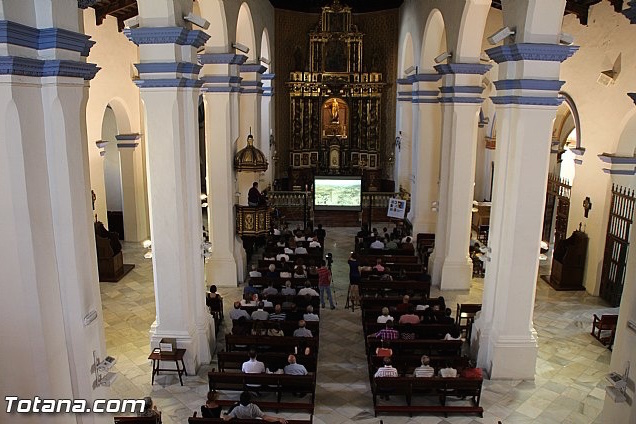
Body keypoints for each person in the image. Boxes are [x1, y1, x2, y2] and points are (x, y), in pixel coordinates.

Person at [222, 391, 287, 423]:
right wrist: (278, 419)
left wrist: (225, 414)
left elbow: (226, 418)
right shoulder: (254, 407)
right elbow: (265, 417)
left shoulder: (236, 409)